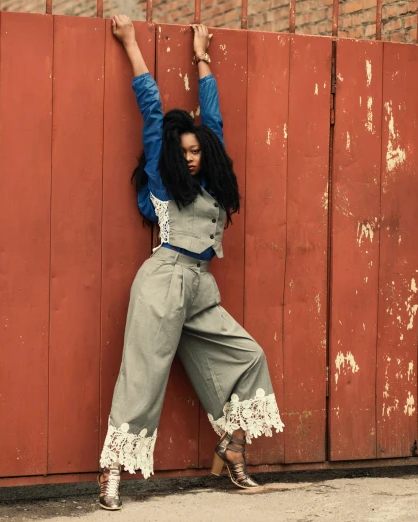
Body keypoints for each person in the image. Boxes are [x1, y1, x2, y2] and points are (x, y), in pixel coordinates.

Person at [98, 15, 285, 511]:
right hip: (162, 283)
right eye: (186, 151)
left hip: (200, 287)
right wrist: (130, 42)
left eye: (198, 150)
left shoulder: (211, 180)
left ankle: (232, 445)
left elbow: (214, 121)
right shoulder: (165, 183)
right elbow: (152, 110)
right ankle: (112, 473)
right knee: (142, 378)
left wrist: (203, 59)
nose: (193, 156)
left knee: (249, 356)